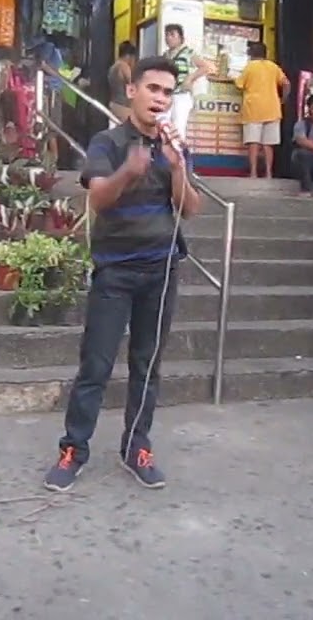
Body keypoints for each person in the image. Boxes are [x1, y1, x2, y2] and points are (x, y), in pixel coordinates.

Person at [43, 56, 201, 493]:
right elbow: (98, 200)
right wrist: (127, 172)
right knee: (95, 365)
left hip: (161, 271)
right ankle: (74, 449)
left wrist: (177, 166)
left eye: (168, 92)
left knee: (147, 365)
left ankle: (137, 448)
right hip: (115, 272)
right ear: (132, 91)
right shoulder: (107, 142)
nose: (160, 99)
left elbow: (190, 209)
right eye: (153, 89)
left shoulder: (173, 145)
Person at [234, 42, 289, 179]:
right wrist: (283, 99)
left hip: (253, 109)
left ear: (251, 54)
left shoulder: (250, 67)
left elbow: (239, 85)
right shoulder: (273, 67)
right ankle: (269, 173)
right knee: (268, 144)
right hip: (272, 109)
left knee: (253, 143)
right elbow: (286, 83)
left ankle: (253, 173)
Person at [162, 23, 210, 143]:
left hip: (182, 95)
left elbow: (204, 67)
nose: (168, 38)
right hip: (168, 95)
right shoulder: (165, 55)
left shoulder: (188, 52)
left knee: (178, 126)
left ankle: (178, 156)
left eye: (172, 35)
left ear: (180, 38)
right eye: (167, 35)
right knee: (165, 123)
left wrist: (190, 78)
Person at [107, 41, 136, 124]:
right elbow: (132, 84)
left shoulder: (113, 67)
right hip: (123, 107)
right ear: (128, 56)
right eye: (133, 57)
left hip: (113, 104)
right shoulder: (124, 66)